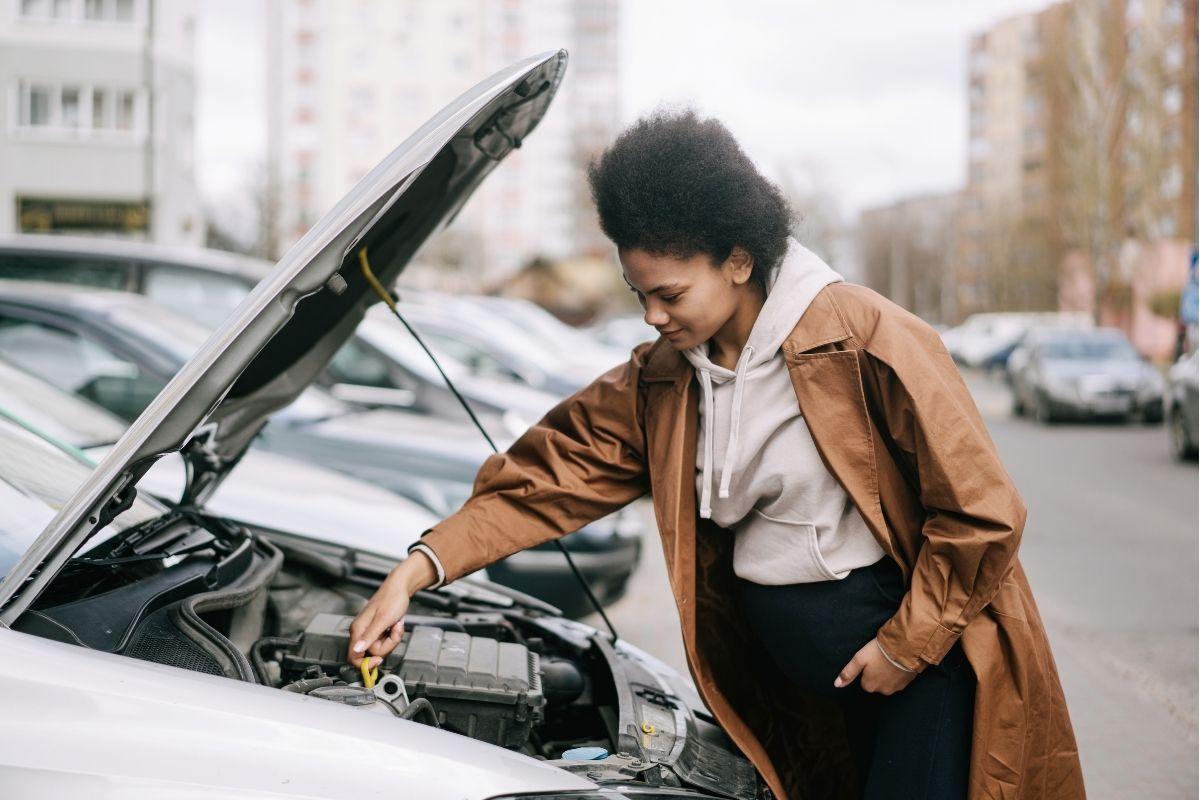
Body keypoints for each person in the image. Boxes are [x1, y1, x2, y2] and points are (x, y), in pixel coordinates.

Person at [347, 108, 1086, 800]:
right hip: (801, 697)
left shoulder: (865, 338)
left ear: (739, 260)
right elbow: (550, 475)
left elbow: (981, 511)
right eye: (638, 293)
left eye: (668, 293)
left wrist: (904, 648)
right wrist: (418, 568)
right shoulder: (663, 378)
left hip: (915, 680)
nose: (651, 315)